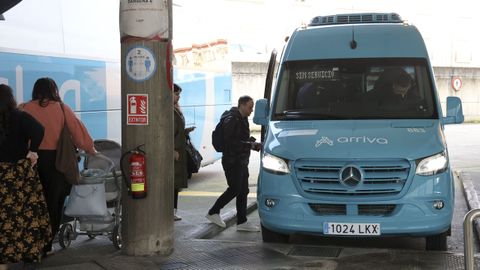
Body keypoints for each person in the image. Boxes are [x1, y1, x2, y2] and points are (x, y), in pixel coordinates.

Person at [20, 77, 97, 257]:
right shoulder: (62, 108)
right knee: (54, 203)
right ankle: (46, 246)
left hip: (31, 161)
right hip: (57, 161)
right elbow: (78, 133)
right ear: (54, 90)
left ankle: (29, 242)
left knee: (32, 202)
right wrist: (90, 148)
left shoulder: (24, 108)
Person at [0, 84, 51, 269]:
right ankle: (29, 255)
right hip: (19, 174)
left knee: (4, 218)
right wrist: (33, 151)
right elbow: (39, 130)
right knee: (26, 214)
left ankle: (3, 260)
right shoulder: (20, 116)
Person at [206, 95, 262, 232]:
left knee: (243, 190)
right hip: (232, 161)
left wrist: (251, 143)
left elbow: (240, 139)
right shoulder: (231, 119)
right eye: (250, 107)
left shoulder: (242, 119)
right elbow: (230, 143)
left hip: (241, 160)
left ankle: (242, 222)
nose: (251, 110)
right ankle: (213, 212)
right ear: (242, 105)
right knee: (235, 188)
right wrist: (250, 145)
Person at [173, 84, 195, 221]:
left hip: (179, 150)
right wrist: (172, 150)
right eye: (176, 94)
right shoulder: (168, 111)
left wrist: (185, 131)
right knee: (173, 182)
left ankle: (173, 210)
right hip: (175, 151)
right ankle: (171, 210)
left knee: (176, 183)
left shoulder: (176, 110)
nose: (178, 97)